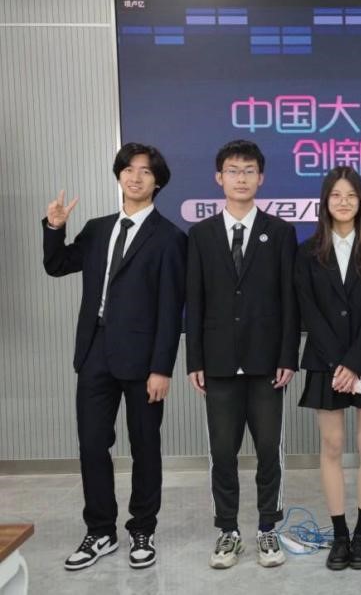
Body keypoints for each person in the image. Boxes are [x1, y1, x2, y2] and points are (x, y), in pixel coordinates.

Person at [43, 143, 186, 571]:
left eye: (145, 171)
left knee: (145, 446)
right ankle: (100, 531)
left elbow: (171, 310)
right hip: (94, 352)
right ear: (119, 175)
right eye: (128, 169)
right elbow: (57, 264)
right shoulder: (97, 228)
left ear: (157, 182)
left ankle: (143, 528)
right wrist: (54, 228)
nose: (135, 177)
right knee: (92, 445)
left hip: (143, 361)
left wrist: (162, 368)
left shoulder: (170, 238)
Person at [185, 140, 299, 569]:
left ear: (261, 178)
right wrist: (195, 360)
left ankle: (268, 528)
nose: (241, 178)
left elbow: (290, 301)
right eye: (233, 171)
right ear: (219, 178)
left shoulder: (280, 232)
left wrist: (288, 355)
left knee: (269, 449)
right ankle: (228, 530)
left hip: (267, 362)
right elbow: (194, 301)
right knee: (222, 451)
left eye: (249, 170)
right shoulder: (200, 235)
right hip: (217, 362)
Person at [295, 166, 361, 571]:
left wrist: (353, 363)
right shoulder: (307, 251)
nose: (343, 202)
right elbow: (308, 311)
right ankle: (339, 535)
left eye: (351, 195)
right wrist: (338, 363)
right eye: (336, 195)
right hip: (325, 361)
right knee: (332, 446)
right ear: (325, 201)